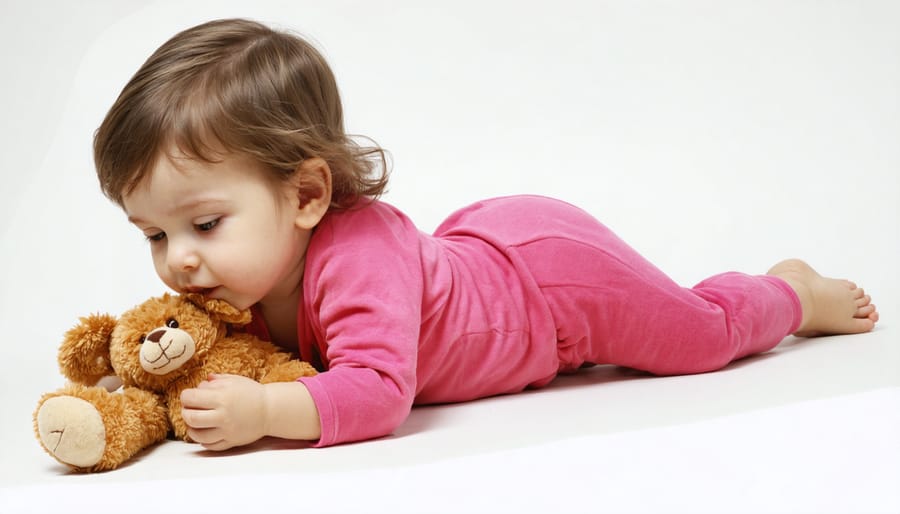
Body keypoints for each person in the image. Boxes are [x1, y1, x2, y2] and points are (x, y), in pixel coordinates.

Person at [93, 18, 879, 451]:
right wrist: (145, 383)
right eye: (154, 236)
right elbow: (207, 348)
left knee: (702, 338)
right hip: (476, 253)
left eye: (202, 224)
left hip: (555, 285)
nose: (179, 261)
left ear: (305, 194)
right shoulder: (241, 277)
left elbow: (376, 393)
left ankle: (787, 291)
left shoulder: (357, 261)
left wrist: (266, 413)